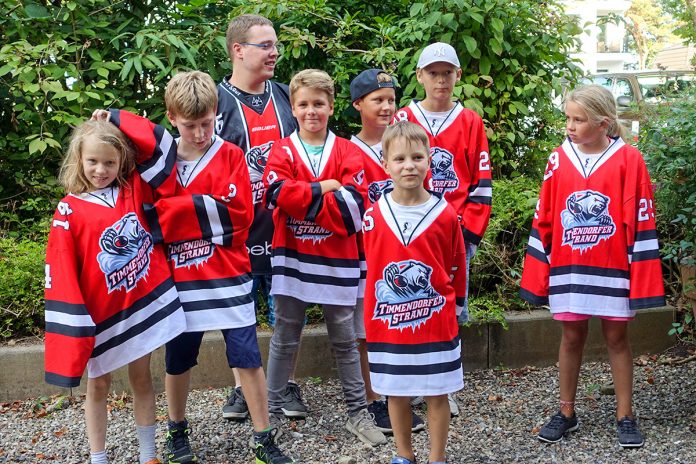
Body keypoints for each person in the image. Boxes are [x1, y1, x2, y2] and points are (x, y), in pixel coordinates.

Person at [94, 71, 293, 464]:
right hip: (179, 283)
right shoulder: (153, 165)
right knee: (178, 361)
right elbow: (143, 218)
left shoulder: (232, 156)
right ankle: (177, 432)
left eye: (205, 123)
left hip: (229, 279)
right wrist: (197, 211)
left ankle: (263, 437)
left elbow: (237, 220)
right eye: (190, 125)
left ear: (215, 114)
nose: (199, 133)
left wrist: (171, 215)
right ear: (171, 116)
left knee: (248, 360)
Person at [520, 84, 665, 448]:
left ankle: (625, 415)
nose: (569, 126)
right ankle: (566, 412)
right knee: (571, 337)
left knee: (617, 338)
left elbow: (641, 217)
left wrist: (640, 274)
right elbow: (546, 216)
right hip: (569, 268)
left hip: (613, 266)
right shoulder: (558, 158)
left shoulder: (629, 159)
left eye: (578, 119)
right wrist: (541, 269)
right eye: (567, 118)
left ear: (603, 123)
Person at [44, 120, 187, 464]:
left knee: (141, 379)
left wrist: (115, 116)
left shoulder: (135, 188)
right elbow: (61, 270)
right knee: (99, 385)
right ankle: (98, 457)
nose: (100, 169)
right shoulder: (69, 209)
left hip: (140, 308)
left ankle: (148, 454)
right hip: (100, 315)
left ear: (122, 161)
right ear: (78, 159)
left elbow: (159, 147)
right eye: (92, 161)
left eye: (110, 162)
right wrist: (77, 322)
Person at [262, 69, 386, 447]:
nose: (311, 110)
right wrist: (326, 187)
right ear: (293, 108)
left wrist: (304, 198)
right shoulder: (282, 149)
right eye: (303, 104)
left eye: (318, 103)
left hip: (337, 259)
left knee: (346, 341)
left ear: (331, 106)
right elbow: (275, 192)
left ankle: (357, 413)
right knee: (285, 335)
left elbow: (352, 208)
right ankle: (266, 415)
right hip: (293, 258)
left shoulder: (348, 150)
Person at [393, 42, 493, 417]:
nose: (440, 80)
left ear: (457, 77)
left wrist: (469, 233)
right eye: (432, 73)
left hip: (452, 231)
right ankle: (414, 384)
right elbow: (389, 169)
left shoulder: (469, 121)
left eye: (447, 73)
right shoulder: (403, 116)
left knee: (447, 309)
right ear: (419, 76)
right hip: (409, 229)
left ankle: (443, 383)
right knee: (412, 304)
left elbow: (481, 181)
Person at [215, 13, 305, 422]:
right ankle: (240, 388)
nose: (274, 52)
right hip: (235, 233)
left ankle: (285, 384)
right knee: (239, 313)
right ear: (238, 50)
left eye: (275, 45)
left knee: (289, 311)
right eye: (265, 45)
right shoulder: (214, 103)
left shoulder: (289, 96)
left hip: (287, 227)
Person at [362, 121, 467, 464]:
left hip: (436, 321)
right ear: (385, 164)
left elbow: (456, 264)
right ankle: (404, 455)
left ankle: (437, 457)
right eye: (400, 158)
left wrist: (459, 305)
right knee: (396, 391)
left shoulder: (445, 213)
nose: (409, 165)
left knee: (437, 392)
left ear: (430, 159)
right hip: (389, 325)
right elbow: (371, 272)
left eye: (417, 157)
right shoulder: (374, 215)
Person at [349, 68, 425, 435]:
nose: (386, 106)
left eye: (391, 100)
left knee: (403, 318)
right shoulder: (348, 149)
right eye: (378, 100)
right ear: (358, 104)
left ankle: (404, 393)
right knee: (368, 330)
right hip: (365, 256)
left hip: (404, 255)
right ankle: (374, 398)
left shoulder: (404, 143)